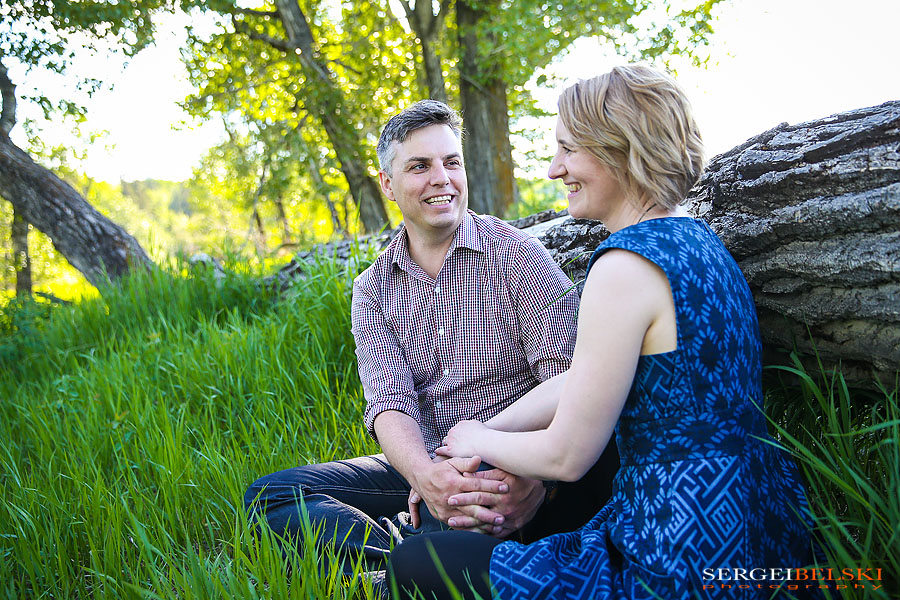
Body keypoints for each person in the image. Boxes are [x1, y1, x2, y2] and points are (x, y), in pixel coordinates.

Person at [387, 65, 819, 599]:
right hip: (758, 517)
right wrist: (474, 437)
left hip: (676, 543)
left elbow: (568, 456)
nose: (553, 170)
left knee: (418, 563)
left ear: (618, 149)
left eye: (568, 150)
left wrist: (478, 439)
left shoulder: (623, 267)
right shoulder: (697, 240)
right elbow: (583, 379)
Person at [243, 99, 619, 578]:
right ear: (387, 184)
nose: (441, 177)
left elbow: (568, 386)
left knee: (458, 525)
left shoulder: (518, 257)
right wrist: (426, 476)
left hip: (509, 461)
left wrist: (533, 479)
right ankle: (397, 554)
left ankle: (410, 556)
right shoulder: (374, 288)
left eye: (452, 162)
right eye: (420, 166)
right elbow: (389, 404)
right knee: (271, 497)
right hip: (427, 464)